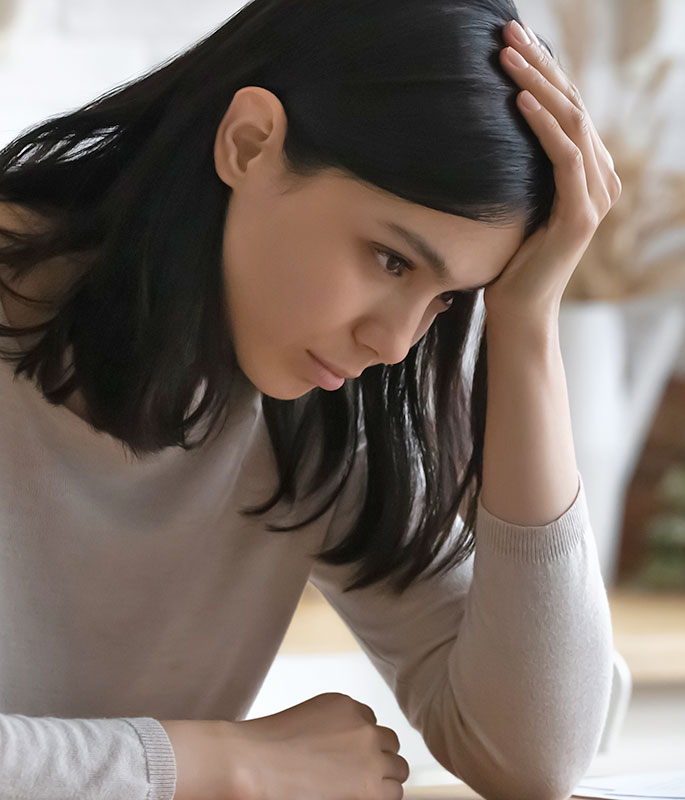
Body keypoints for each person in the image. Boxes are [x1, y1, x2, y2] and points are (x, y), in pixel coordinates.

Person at [0, 0, 621, 798]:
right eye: (392, 260)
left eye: (446, 298)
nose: (395, 344)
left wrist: (528, 323)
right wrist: (226, 763)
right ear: (250, 143)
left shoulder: (321, 409)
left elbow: (534, 753)